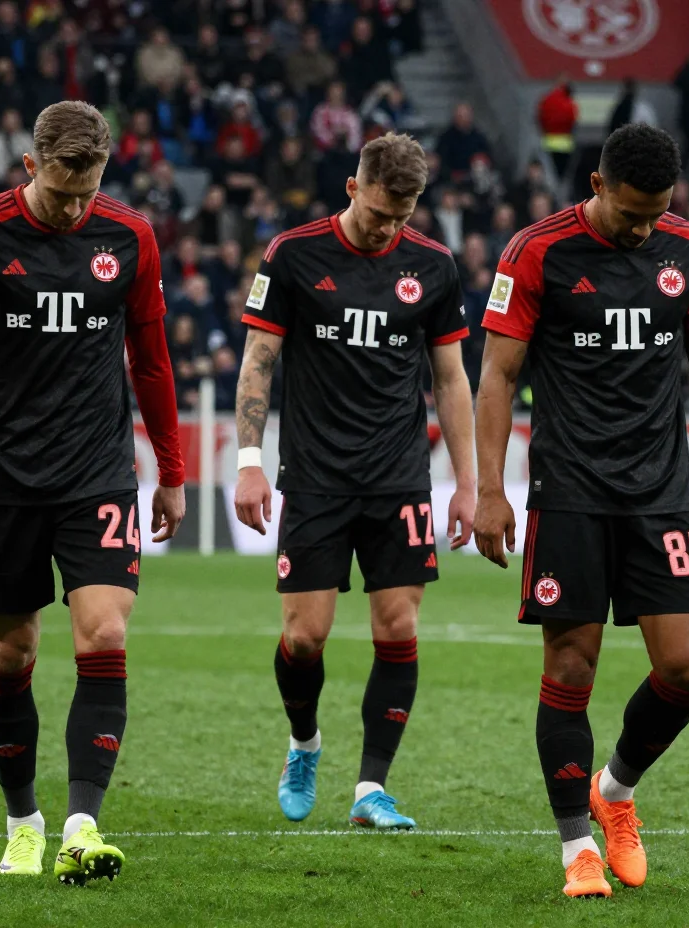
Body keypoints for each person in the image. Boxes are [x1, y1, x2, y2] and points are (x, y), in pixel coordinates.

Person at [0, 101, 186, 886]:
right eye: (62, 192)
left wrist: (170, 469)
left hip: (96, 469)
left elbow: (152, 360)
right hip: (2, 474)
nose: (75, 210)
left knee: (103, 634)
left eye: (88, 193)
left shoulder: (129, 235)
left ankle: (80, 825)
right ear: (30, 166)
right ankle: (22, 822)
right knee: (13, 651)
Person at [473, 124, 689, 899]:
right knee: (570, 666)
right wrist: (490, 489)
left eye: (656, 213)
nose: (642, 228)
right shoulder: (537, 252)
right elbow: (497, 377)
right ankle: (574, 849)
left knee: (685, 667)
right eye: (630, 213)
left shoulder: (687, 249)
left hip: (662, 493)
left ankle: (615, 790)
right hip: (570, 493)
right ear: (596, 185)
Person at [232, 134, 475, 833]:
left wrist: (468, 483)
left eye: (400, 217)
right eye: (376, 213)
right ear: (351, 188)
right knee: (305, 637)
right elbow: (258, 362)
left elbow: (451, 379)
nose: (386, 228)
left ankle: (372, 787)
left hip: (399, 475)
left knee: (398, 625)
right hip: (313, 477)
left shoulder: (432, 266)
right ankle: (304, 742)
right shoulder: (293, 254)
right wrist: (249, 465)